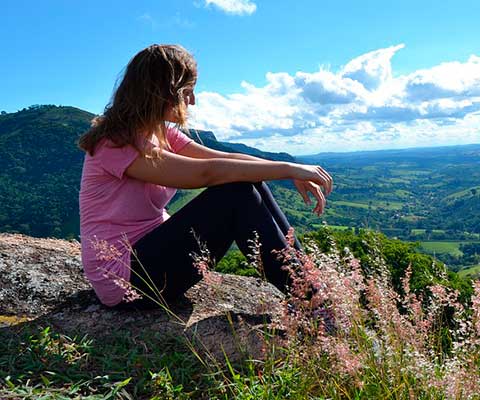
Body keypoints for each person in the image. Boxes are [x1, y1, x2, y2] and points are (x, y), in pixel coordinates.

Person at [77, 44, 332, 309]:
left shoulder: (159, 132)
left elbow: (225, 160)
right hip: (124, 278)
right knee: (236, 194)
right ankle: (313, 302)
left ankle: (311, 289)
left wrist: (287, 169)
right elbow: (206, 172)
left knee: (249, 182)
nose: (192, 101)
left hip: (152, 256)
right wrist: (290, 170)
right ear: (162, 92)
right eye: (187, 92)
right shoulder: (114, 143)